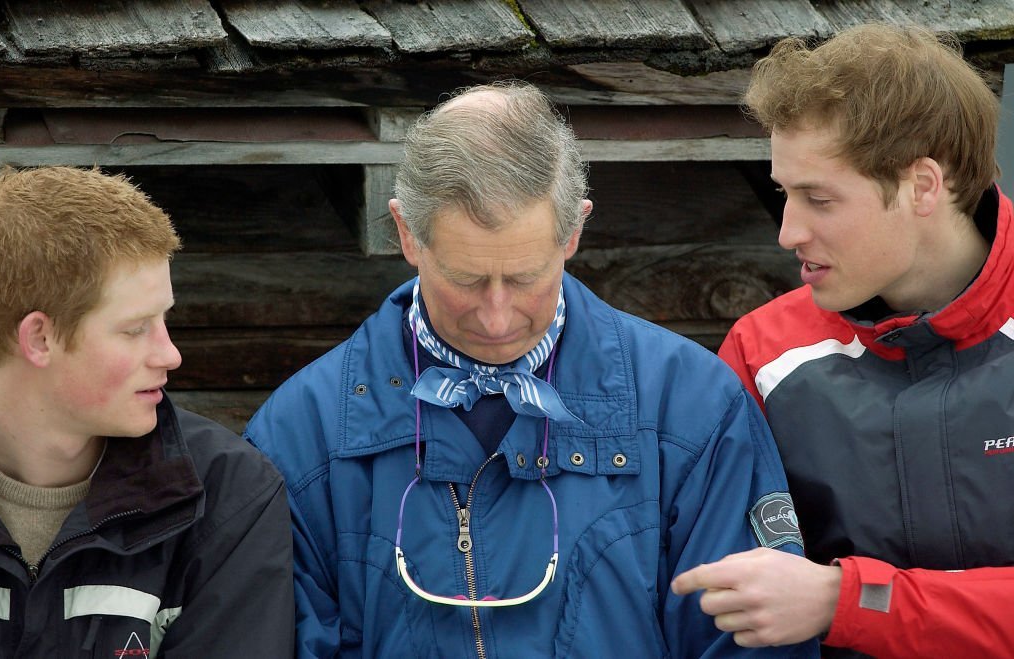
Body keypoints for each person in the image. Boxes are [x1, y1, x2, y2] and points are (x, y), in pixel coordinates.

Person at [245, 80, 817, 658]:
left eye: (524, 279)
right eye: (466, 281)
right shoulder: (299, 433)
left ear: (574, 231)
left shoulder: (692, 405)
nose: (497, 318)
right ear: (406, 234)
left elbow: (752, 643)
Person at [672, 23, 1014, 659]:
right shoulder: (762, 350)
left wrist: (844, 601)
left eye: (818, 199)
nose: (787, 232)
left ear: (922, 185)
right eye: (783, 194)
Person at [0, 166, 294, 657]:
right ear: (39, 338)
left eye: (164, 320)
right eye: (135, 329)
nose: (170, 355)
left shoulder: (226, 494)